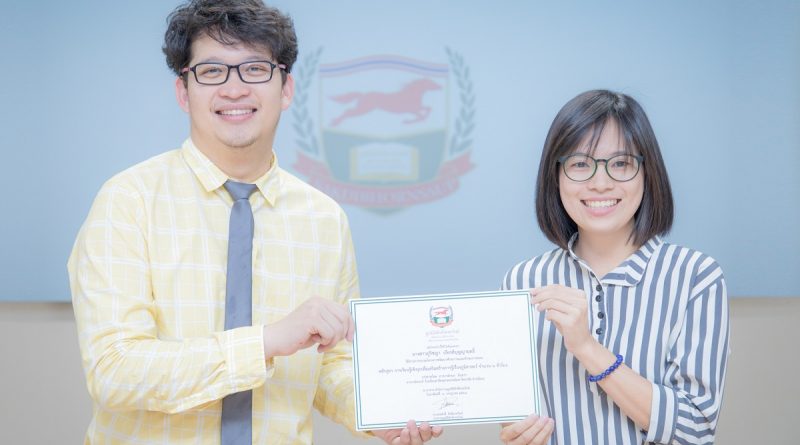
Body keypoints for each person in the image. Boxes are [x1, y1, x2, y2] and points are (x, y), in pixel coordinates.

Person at [67, 1, 442, 444]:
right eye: (212, 71)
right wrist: (265, 342)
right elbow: (114, 371)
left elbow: (329, 364)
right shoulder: (128, 202)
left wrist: (378, 413)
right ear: (183, 92)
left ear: (286, 89)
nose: (234, 89)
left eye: (255, 69)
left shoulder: (324, 219)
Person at [498, 90, 730, 445]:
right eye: (580, 164)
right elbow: (513, 417)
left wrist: (587, 347)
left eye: (621, 163)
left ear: (647, 173)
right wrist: (517, 434)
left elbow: (694, 430)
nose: (601, 183)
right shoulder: (522, 280)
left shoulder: (695, 276)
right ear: (555, 176)